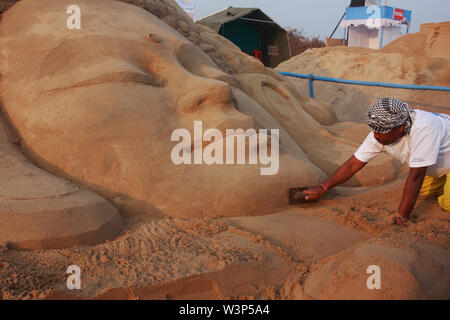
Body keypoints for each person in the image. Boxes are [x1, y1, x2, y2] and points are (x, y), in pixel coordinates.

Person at [303, 97, 450, 226]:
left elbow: (417, 175)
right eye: (374, 130)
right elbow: (352, 164)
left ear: (400, 128)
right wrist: (323, 187)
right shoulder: (380, 135)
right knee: (423, 191)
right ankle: (443, 180)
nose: (376, 136)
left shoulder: (425, 129)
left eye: (381, 131)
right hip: (438, 163)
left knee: (447, 203)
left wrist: (402, 217)